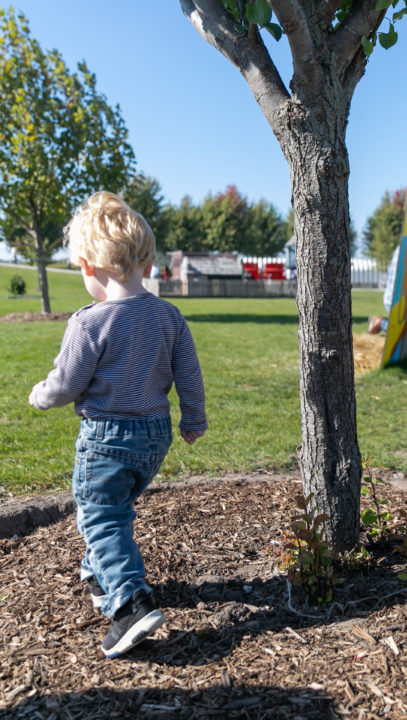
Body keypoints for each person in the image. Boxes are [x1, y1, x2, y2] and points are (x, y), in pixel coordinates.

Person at [29, 191, 207, 658]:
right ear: (146, 261)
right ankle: (98, 573)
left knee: (101, 516)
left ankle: (130, 604)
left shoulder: (89, 322)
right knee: (115, 508)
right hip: (154, 438)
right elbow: (188, 372)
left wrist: (41, 395)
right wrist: (194, 417)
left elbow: (67, 382)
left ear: (88, 267)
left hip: (107, 439)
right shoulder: (169, 317)